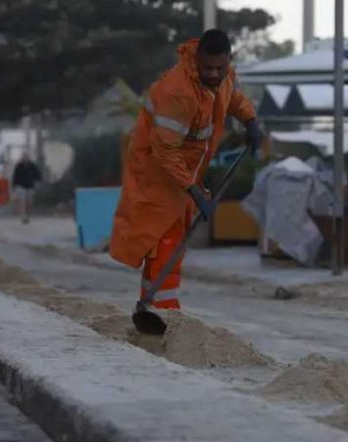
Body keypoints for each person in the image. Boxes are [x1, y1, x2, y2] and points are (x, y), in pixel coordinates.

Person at [110, 29, 262, 332]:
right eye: (208, 68)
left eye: (220, 67)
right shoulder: (177, 92)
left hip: (182, 172)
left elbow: (232, 98)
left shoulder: (222, 78)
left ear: (229, 60)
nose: (214, 74)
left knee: (171, 240)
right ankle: (163, 312)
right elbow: (165, 150)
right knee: (163, 239)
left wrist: (251, 120)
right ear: (197, 59)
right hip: (155, 169)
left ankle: (152, 307)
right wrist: (193, 189)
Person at [11, 152, 43, 223]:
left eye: (26, 157)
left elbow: (37, 174)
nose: (25, 158)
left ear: (28, 158)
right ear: (22, 158)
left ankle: (27, 215)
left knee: (30, 202)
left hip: (30, 186)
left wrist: (38, 180)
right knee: (22, 201)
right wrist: (14, 187)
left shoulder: (32, 166)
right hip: (20, 186)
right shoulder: (18, 166)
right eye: (23, 157)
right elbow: (15, 177)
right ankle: (23, 216)